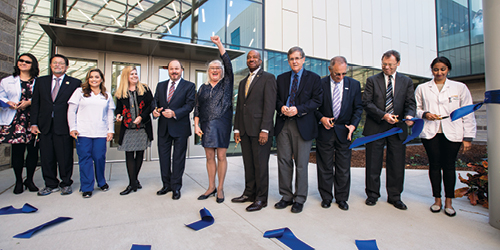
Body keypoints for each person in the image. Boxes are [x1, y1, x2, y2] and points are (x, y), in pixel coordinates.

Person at [415, 56, 476, 217]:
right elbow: (416, 108)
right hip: (431, 132)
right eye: (436, 69)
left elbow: (467, 112)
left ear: (448, 69)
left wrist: (468, 136)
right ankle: (437, 200)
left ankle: (449, 201)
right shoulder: (422, 88)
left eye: (443, 69)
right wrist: (425, 114)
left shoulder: (459, 87)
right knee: (434, 165)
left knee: (449, 166)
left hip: (453, 131)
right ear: (432, 70)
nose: (439, 72)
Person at [362, 50, 416, 210]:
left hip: (398, 128)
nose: (386, 67)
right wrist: (384, 115)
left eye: (390, 64)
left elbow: (411, 103)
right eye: (384, 64)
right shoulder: (372, 80)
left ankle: (395, 196)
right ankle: (372, 195)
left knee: (397, 163)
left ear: (398, 63)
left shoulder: (406, 82)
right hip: (376, 126)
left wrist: (410, 116)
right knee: (373, 163)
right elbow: (367, 103)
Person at [274, 46, 323, 213]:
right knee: (283, 161)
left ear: (303, 60)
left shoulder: (314, 78)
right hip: (283, 124)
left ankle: (299, 198)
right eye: (291, 59)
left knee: (301, 163)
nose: (294, 61)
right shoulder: (281, 78)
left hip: (302, 124)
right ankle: (286, 196)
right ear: (288, 61)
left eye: (297, 58)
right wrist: (281, 107)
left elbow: (317, 101)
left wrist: (298, 109)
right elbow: (276, 100)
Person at [314, 56, 363, 211]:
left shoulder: (354, 84)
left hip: (345, 132)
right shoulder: (320, 84)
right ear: (330, 70)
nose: (340, 77)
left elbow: (358, 108)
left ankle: (342, 198)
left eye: (343, 74)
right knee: (325, 166)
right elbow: (313, 107)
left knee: (343, 168)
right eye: (337, 74)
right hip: (325, 131)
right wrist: (321, 118)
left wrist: (353, 126)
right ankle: (326, 197)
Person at [232, 50, 277, 212]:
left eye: (254, 58)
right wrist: (236, 129)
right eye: (249, 58)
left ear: (260, 61)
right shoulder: (244, 81)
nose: (251, 60)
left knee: (260, 166)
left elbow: (269, 105)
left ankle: (261, 198)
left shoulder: (268, 78)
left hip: (260, 131)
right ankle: (249, 193)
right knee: (249, 165)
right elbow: (240, 107)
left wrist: (265, 129)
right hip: (245, 130)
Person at [31, 54, 82, 196]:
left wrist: (75, 126)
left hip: (64, 125)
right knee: (47, 156)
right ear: (50, 65)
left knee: (65, 156)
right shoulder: (41, 82)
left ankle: (66, 183)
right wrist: (34, 123)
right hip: (44, 125)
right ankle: (50, 184)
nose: (57, 65)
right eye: (55, 63)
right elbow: (35, 104)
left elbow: (78, 107)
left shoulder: (74, 83)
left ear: (66, 67)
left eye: (61, 63)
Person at [194, 35, 233, 203]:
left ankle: (221, 188)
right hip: (207, 126)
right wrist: (196, 125)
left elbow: (228, 64)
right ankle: (211, 187)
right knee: (209, 157)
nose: (215, 70)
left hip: (222, 124)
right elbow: (197, 107)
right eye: (212, 68)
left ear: (222, 71)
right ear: (208, 72)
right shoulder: (202, 88)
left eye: (218, 67)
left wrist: (219, 44)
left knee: (221, 156)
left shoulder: (227, 83)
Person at [68, 69, 115, 198]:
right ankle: (87, 187)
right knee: (85, 159)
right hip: (83, 132)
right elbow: (71, 111)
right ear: (88, 79)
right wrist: (73, 127)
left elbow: (110, 114)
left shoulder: (106, 95)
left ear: (101, 79)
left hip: (100, 132)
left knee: (99, 158)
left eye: (97, 77)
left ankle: (101, 182)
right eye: (91, 77)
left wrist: (110, 130)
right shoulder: (79, 92)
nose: (94, 79)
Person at [153, 60, 195, 200]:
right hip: (164, 128)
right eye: (171, 69)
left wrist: (174, 113)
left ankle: (176, 187)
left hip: (180, 128)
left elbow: (189, 105)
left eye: (176, 68)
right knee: (164, 159)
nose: (174, 71)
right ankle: (166, 185)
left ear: (181, 70)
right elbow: (156, 102)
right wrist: (155, 111)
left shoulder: (189, 86)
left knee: (178, 159)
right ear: (168, 70)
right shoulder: (160, 86)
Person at [0, 53, 40, 194]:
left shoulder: (38, 82)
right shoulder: (7, 81)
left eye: (27, 62)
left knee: (33, 151)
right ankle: (18, 181)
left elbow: (43, 99)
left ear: (33, 65)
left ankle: (29, 179)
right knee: (17, 152)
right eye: (21, 61)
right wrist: (8, 103)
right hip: (15, 120)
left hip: (33, 120)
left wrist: (30, 102)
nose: (23, 63)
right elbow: (1, 96)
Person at [115, 66, 154, 195]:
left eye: (135, 73)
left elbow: (151, 105)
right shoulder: (121, 91)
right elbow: (119, 108)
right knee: (129, 155)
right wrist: (118, 115)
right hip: (128, 128)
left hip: (142, 127)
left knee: (140, 154)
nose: (134, 76)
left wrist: (141, 117)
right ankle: (133, 183)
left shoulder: (145, 88)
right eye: (131, 74)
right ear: (126, 76)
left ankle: (133, 182)